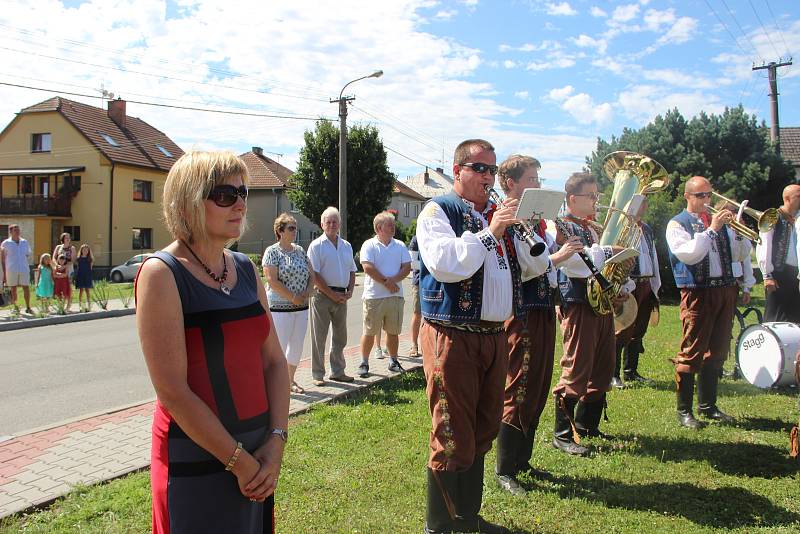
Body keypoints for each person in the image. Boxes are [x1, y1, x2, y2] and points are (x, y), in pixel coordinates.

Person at [135, 151, 289, 533]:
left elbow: (273, 361)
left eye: (243, 193)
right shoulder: (161, 274)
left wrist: (275, 442)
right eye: (224, 195)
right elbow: (172, 390)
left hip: (257, 455)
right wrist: (239, 462)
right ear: (188, 202)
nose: (239, 203)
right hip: (197, 460)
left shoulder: (245, 269)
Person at [417, 139, 550, 534]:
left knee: (482, 429)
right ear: (458, 171)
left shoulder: (496, 214)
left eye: (491, 170)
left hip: (493, 335)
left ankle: (467, 518)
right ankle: (439, 526)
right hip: (452, 334)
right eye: (479, 169)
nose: (488, 177)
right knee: (452, 432)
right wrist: (492, 232)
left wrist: (522, 231)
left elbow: (534, 266)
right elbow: (446, 264)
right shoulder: (438, 210)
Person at [493, 155, 584, 494]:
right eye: (531, 178)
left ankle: (522, 460)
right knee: (518, 386)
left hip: (542, 307)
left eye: (537, 177)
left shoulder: (535, 221)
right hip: (521, 312)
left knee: (539, 385)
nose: (537, 184)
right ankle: (505, 469)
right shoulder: (508, 217)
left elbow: (543, 264)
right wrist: (557, 257)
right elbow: (525, 266)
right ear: (512, 184)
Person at [552, 172, 631, 457]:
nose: (597, 200)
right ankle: (562, 434)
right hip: (578, 304)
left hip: (600, 304)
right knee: (577, 366)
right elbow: (574, 264)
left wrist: (619, 286)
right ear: (573, 199)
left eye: (597, 195)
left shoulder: (592, 229)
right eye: (592, 196)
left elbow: (605, 266)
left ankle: (587, 424)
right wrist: (609, 250)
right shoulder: (560, 227)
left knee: (603, 364)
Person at [666, 176, 747, 429]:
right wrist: (712, 229)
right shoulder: (677, 224)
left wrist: (738, 233)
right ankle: (684, 411)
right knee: (692, 351)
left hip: (724, 290)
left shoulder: (720, 224)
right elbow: (689, 255)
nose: (706, 200)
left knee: (719, 349)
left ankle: (708, 406)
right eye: (701, 195)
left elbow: (740, 255)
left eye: (709, 195)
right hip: (697, 292)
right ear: (687, 197)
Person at [262, 213, 313, 394]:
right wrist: (292, 297)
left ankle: (289, 381)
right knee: (279, 347)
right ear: (280, 231)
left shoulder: (299, 250)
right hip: (280, 309)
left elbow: (311, 273)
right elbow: (272, 280)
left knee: (297, 346)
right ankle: (273, 385)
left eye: (295, 227)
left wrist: (307, 292)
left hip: (302, 308)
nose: (295, 231)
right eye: (291, 228)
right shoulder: (272, 252)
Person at [612, 197, 660, 388]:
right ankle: (613, 373)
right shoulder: (621, 226)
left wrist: (655, 285)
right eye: (642, 202)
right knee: (622, 329)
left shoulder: (646, 228)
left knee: (639, 329)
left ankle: (631, 371)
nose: (646, 206)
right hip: (630, 283)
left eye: (646, 202)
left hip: (646, 282)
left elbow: (652, 255)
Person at [357, 211, 412, 378]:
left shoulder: (400, 245)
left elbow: (407, 267)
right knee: (369, 331)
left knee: (393, 331)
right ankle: (364, 362)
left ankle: (393, 361)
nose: (393, 227)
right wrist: (387, 282)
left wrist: (393, 281)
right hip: (374, 297)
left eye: (393, 224)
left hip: (395, 296)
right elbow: (367, 267)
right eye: (390, 225)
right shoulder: (369, 245)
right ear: (379, 228)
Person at [307, 207, 357, 387]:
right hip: (322, 296)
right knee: (319, 337)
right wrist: (331, 294)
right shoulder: (316, 246)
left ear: (339, 224)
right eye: (328, 222)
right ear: (322, 224)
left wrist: (349, 291)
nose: (331, 225)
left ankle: (337, 372)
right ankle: (317, 374)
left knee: (340, 337)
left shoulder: (346, 246)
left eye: (335, 221)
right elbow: (315, 275)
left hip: (342, 297)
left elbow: (352, 271)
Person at [756, 184, 800, 324]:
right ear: (787, 198)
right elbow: (764, 245)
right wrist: (767, 275)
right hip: (777, 273)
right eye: (798, 196)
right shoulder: (772, 216)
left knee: (794, 317)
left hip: (793, 274)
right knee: (775, 317)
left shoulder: (797, 218)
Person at [1, 224, 33, 313]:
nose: (17, 231)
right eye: (15, 230)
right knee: (13, 288)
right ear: (10, 232)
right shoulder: (6, 243)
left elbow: (27, 254)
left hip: (24, 268)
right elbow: (2, 258)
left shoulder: (24, 242)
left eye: (18, 230)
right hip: (11, 269)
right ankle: (16, 307)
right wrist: (4, 272)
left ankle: (28, 307)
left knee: (26, 287)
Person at [407, 234, 422, 358]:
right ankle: (414, 345)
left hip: (437, 282)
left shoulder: (439, 234)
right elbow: (412, 263)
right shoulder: (416, 238)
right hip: (419, 282)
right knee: (417, 314)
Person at [75, 244, 94, 312]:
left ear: (88, 251)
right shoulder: (78, 259)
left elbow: (90, 268)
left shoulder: (90, 259)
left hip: (87, 276)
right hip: (81, 275)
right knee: (81, 291)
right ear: (81, 250)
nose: (85, 251)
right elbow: (78, 268)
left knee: (87, 291)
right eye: (83, 250)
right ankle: (80, 305)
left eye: (86, 250)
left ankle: (89, 305)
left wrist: (89, 276)